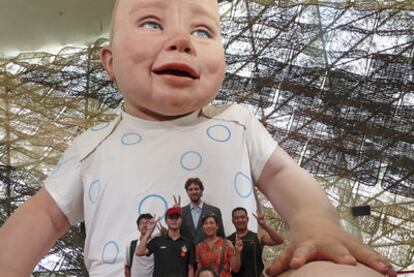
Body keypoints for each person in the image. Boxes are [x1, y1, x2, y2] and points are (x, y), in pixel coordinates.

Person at [0, 0, 396, 276]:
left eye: (203, 30)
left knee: (341, 270)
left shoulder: (237, 122)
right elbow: (44, 215)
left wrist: (315, 224)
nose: (182, 41)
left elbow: (283, 176)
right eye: (152, 23)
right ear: (110, 63)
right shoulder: (92, 146)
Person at [136, 207, 195, 277]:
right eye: (171, 217)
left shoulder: (188, 243)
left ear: (181, 220)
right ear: (166, 221)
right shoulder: (157, 241)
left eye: (177, 217)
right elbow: (139, 252)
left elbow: (190, 268)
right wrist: (149, 231)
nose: (174, 220)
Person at [227, 207, 283, 277]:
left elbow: (279, 241)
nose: (240, 220)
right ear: (233, 221)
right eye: (236, 218)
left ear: (247, 219)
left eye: (242, 217)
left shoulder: (258, 237)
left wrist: (264, 226)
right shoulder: (227, 241)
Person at [181, 177, 225, 245]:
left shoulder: (215, 211)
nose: (194, 192)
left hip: (209, 253)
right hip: (187, 253)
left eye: (196, 189)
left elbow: (221, 236)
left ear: (201, 191)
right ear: (187, 192)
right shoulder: (181, 212)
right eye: (190, 189)